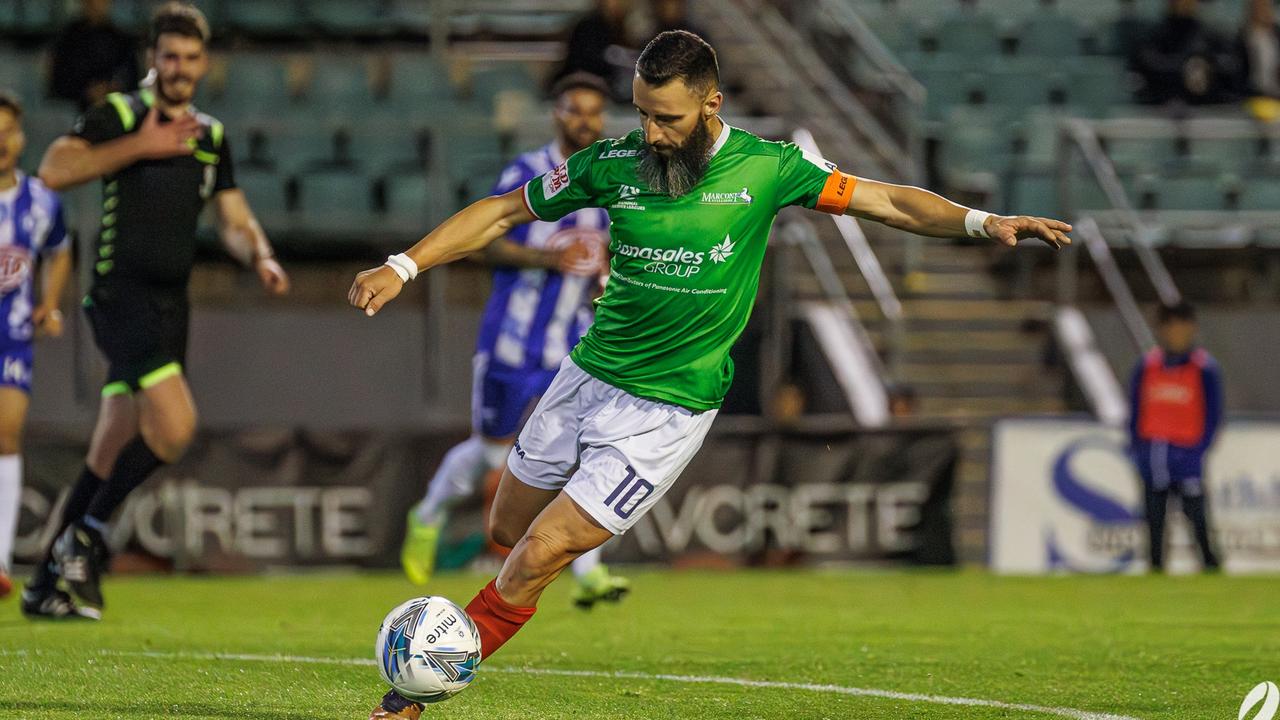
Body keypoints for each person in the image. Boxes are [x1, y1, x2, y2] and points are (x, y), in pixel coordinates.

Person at [350, 30, 1070, 719]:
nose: (653, 134)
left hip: (667, 411)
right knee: (508, 529)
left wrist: (981, 220)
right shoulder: (612, 163)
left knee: (541, 551)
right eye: (642, 114)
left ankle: (411, 694)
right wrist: (403, 265)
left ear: (711, 105)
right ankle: (504, 590)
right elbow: (505, 211)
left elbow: (885, 200)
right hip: (585, 379)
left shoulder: (769, 167)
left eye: (667, 119)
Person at [21, 2, 290, 620]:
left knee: (109, 450)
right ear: (153, 58)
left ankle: (43, 584)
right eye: (170, 56)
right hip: (121, 296)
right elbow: (55, 167)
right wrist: (141, 145)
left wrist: (261, 255)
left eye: (191, 59)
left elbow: (232, 216)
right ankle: (86, 534)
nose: (180, 68)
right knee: (175, 427)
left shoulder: (210, 136)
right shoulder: (121, 113)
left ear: (204, 63)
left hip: (172, 306)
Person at [400, 72, 630, 609]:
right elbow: (488, 245)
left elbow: (611, 253)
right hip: (512, 341)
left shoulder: (611, 182)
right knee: (490, 453)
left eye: (595, 112)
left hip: (572, 345)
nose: (586, 121)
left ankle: (588, 574)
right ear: (557, 113)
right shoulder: (527, 172)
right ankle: (428, 514)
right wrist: (551, 258)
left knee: (582, 453)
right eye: (576, 110)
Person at [0, 93, 73, 603]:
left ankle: (0, 560)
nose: (1, 140)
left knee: (6, 433)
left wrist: (48, 303)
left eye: (9, 130)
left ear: (21, 137)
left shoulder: (43, 199)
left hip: (13, 335)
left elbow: (60, 250)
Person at [1128, 301, 1222, 573]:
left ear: (1192, 329)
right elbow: (1135, 409)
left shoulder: (1203, 368)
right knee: (1154, 517)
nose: (1175, 333)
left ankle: (1210, 564)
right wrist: (1138, 449)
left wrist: (1198, 449)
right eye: (1169, 327)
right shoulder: (1148, 366)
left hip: (1187, 454)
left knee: (1196, 514)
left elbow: (1213, 413)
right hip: (1153, 453)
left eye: (1181, 327)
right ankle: (1156, 566)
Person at [1130, 0, 1240, 105]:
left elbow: (1231, 65)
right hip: (1162, 111)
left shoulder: (1210, 35)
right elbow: (1147, 65)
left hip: (1210, 111)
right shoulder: (1154, 36)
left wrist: (1206, 65)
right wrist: (1185, 66)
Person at [48, 0, 142, 111]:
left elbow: (130, 76)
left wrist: (112, 87)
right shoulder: (68, 39)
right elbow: (59, 80)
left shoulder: (121, 39)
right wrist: (87, 91)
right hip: (75, 108)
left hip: (115, 108)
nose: (97, 4)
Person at [553, 0, 639, 103]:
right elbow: (583, 63)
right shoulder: (588, 26)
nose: (617, 3)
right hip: (582, 85)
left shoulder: (626, 27)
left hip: (616, 91)